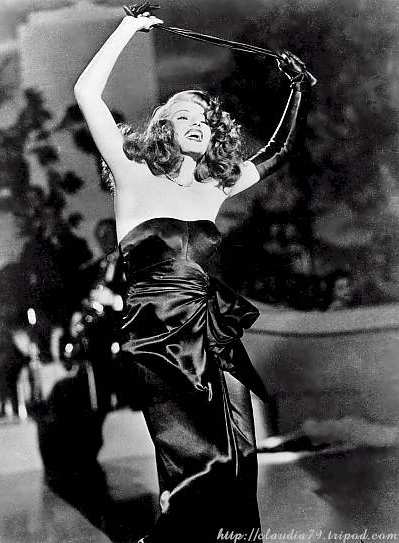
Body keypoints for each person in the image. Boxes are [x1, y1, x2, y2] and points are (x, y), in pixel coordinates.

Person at [74, 6, 315, 542]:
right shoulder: (132, 175)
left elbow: (278, 151)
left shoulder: (214, 188)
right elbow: (87, 93)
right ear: (165, 127)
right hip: (157, 339)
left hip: (215, 334)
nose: (197, 124)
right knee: (197, 467)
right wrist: (128, 28)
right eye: (184, 116)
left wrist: (297, 89)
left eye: (205, 119)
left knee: (240, 456)